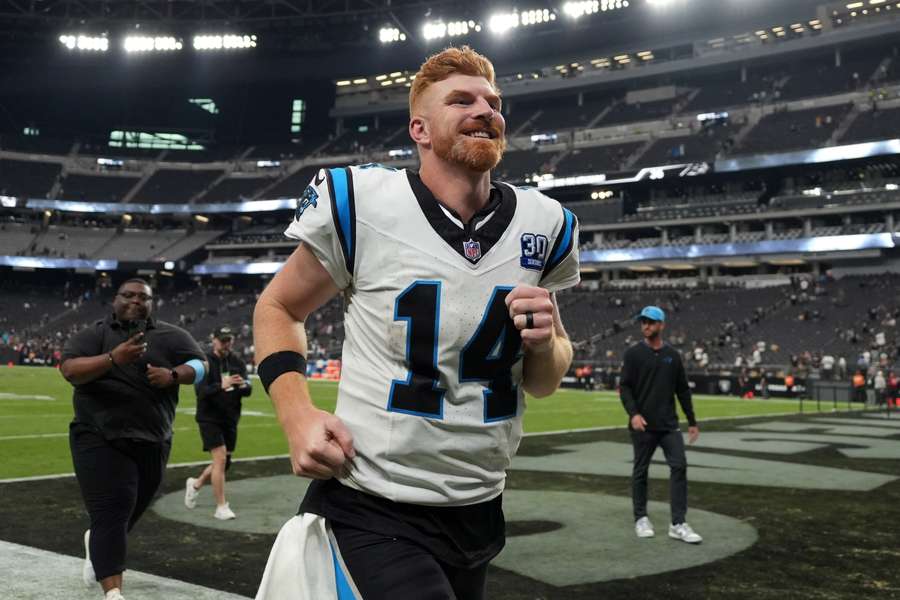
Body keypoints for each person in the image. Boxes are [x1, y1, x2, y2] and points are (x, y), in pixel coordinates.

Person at [254, 45, 580, 600]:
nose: (485, 109)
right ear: (420, 129)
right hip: (376, 502)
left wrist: (546, 342)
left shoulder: (545, 223)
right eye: (462, 100)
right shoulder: (364, 202)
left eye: (493, 101)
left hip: (480, 503)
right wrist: (297, 415)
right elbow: (278, 308)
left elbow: (544, 380)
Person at [61, 278, 207, 600]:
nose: (136, 301)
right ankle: (113, 593)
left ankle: (97, 542)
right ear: (115, 299)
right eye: (128, 295)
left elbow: (201, 365)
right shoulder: (95, 334)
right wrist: (113, 359)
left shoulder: (171, 336)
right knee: (115, 508)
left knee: (127, 513)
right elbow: (70, 369)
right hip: (98, 436)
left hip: (153, 438)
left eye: (144, 297)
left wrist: (173, 375)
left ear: (152, 303)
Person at [620, 305, 702, 545]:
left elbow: (683, 390)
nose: (645, 325)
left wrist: (693, 421)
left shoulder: (673, 356)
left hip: (668, 425)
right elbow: (625, 387)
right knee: (640, 471)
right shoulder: (633, 354)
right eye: (643, 321)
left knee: (679, 466)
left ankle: (678, 523)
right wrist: (633, 414)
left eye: (651, 322)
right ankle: (641, 518)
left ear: (661, 325)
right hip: (642, 425)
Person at [184, 326, 252, 520]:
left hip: (230, 418)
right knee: (220, 458)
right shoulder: (204, 362)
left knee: (224, 462)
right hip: (209, 417)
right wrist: (221, 385)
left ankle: (196, 484)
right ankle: (221, 507)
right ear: (213, 340)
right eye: (223, 340)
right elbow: (200, 392)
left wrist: (242, 385)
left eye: (229, 339)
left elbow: (248, 389)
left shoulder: (237, 361)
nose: (226, 344)